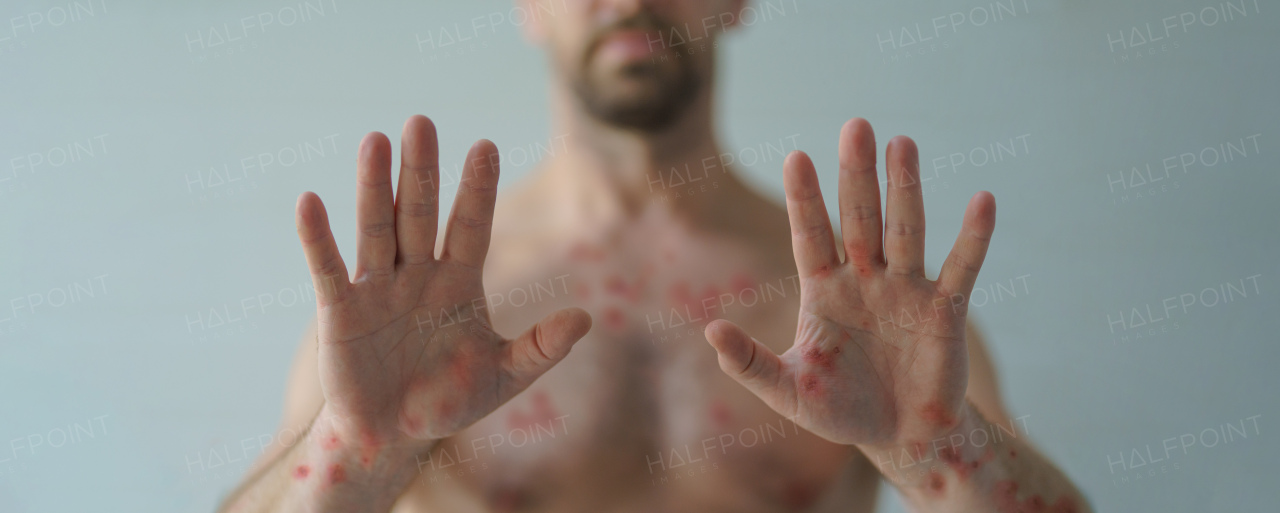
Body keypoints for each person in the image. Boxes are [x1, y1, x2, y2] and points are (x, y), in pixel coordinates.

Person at [221, 1, 1091, 511]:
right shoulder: (423, 310)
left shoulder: (854, 306)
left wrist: (943, 452)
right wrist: (355, 453)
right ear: (527, 7)